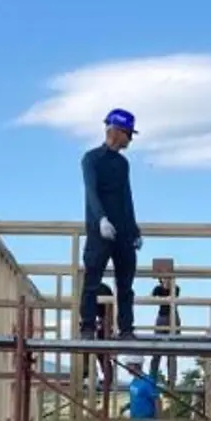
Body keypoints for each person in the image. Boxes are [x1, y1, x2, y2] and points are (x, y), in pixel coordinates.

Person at [81, 108, 142, 339]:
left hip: (124, 231)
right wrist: (101, 219)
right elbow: (91, 191)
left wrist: (134, 228)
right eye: (128, 133)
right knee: (92, 279)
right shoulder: (92, 158)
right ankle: (87, 326)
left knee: (125, 283)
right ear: (116, 131)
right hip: (100, 230)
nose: (130, 139)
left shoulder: (123, 164)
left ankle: (126, 329)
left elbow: (127, 196)